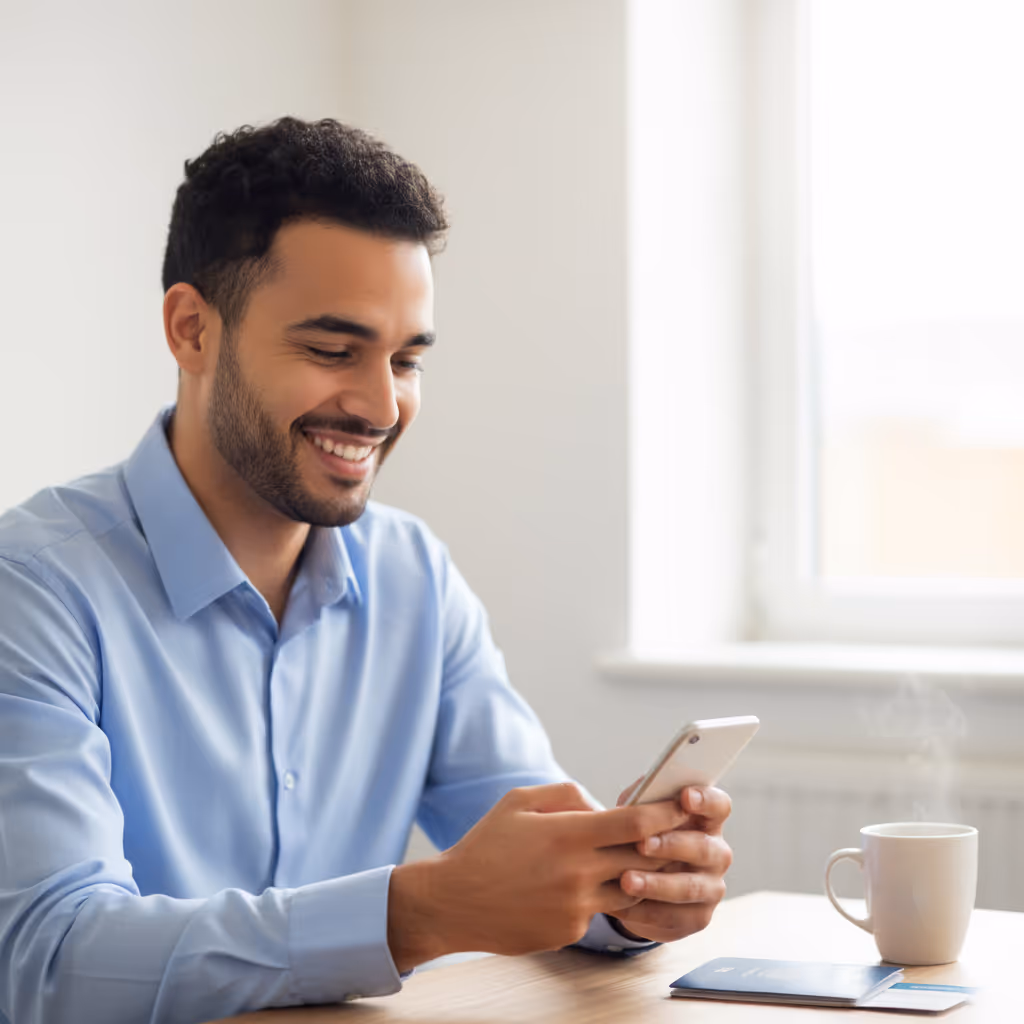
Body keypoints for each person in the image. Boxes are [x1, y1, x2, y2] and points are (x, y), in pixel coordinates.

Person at [0, 117, 733, 1024]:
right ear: (192, 330)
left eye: (407, 359)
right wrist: (414, 912)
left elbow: (535, 859)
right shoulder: (31, 589)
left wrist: (625, 892)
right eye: (332, 351)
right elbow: (48, 958)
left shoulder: (413, 577)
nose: (383, 406)